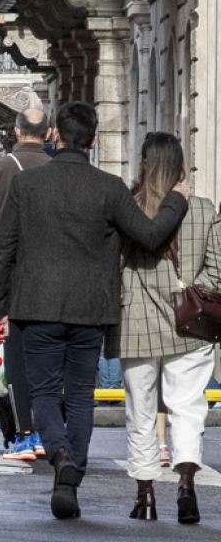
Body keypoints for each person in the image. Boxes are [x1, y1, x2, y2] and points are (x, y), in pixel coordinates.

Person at [0, 103, 189, 520]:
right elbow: (150, 235)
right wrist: (176, 202)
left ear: (55, 135)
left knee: (44, 392)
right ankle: (70, 475)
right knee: (80, 396)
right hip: (91, 308)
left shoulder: (27, 185)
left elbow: (2, 248)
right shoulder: (109, 187)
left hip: (36, 306)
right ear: (93, 141)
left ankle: (58, 454)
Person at [103, 132, 220, 524]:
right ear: (181, 164)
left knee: (140, 409)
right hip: (190, 322)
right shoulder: (205, 209)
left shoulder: (128, 208)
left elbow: (114, 268)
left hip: (135, 320)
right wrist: (188, 289)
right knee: (188, 406)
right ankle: (186, 484)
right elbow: (217, 271)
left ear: (144, 163)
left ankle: (146, 493)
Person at [0, 108, 53, 460]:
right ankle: (52, 431)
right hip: (55, 271)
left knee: (16, 354)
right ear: (48, 132)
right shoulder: (60, 167)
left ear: (17, 132)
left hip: (14, 271)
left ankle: (25, 435)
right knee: (51, 358)